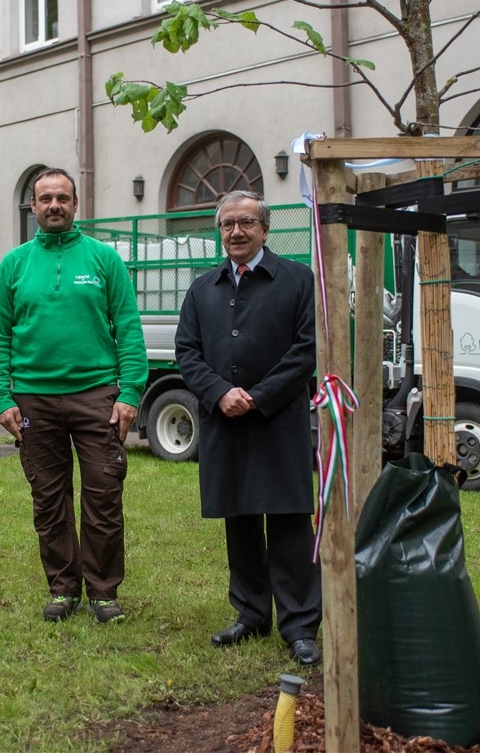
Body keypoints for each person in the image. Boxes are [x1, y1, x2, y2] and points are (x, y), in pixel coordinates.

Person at [0, 168, 147, 624]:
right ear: (32, 207)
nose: (54, 205)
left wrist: (130, 391)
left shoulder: (103, 260)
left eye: (62, 198)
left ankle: (103, 592)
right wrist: (1, 396)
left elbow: (128, 331)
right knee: (49, 499)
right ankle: (62, 589)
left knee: (103, 495)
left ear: (76, 205)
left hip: (97, 396)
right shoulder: (13, 265)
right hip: (32, 399)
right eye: (45, 198)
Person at [174, 190, 322, 665]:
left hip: (279, 421)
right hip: (226, 423)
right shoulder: (202, 288)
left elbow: (306, 350)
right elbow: (187, 353)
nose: (235, 232)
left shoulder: (298, 280)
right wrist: (219, 392)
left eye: (245, 223)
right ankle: (250, 614)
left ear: (265, 229)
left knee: (289, 524)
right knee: (239, 521)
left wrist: (257, 396)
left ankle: (299, 625)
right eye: (227, 225)